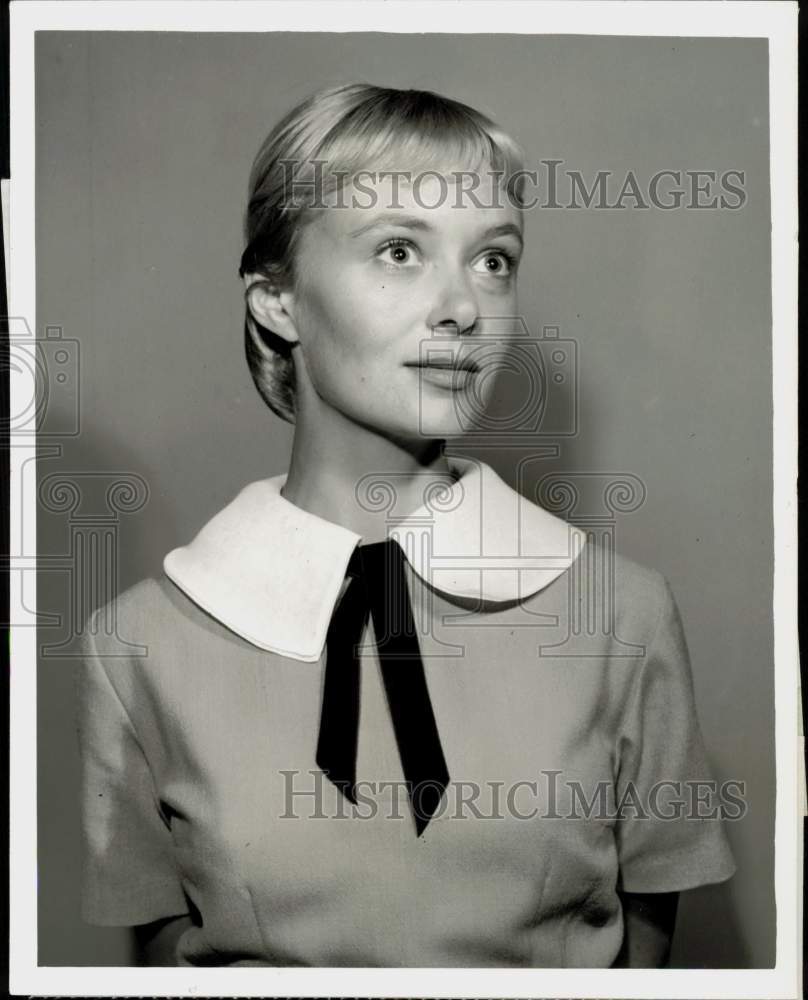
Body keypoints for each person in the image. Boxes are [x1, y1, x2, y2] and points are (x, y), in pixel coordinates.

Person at [75, 82, 737, 969]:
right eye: (398, 250)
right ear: (277, 299)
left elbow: (644, 960)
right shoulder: (136, 644)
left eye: (493, 259)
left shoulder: (624, 618)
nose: (464, 308)